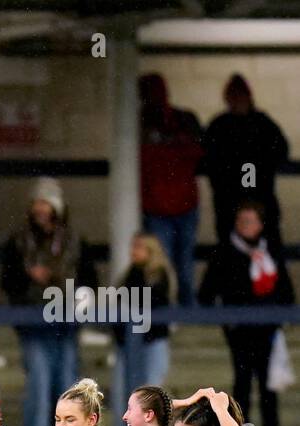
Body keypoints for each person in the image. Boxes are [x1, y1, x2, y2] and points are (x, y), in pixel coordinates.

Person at [198, 200, 293, 426]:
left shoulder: (270, 249)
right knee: (242, 384)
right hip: (239, 331)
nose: (246, 226)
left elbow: (285, 289)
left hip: (267, 329)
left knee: (268, 386)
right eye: (242, 221)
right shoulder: (224, 252)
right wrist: (227, 320)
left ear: (261, 225)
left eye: (251, 221)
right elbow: (206, 293)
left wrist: (279, 316)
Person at [1, 177, 82, 426]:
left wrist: (61, 283)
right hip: (34, 326)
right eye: (37, 202)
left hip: (66, 325)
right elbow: (8, 281)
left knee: (68, 392)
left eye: (46, 203)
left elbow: (87, 279)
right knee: (39, 391)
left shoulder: (72, 239)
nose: (41, 209)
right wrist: (29, 278)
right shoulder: (19, 240)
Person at [202, 73, 290, 247]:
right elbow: (207, 157)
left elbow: (281, 150)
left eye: (239, 95)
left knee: (268, 247)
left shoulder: (262, 123)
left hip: (260, 199)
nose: (236, 100)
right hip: (229, 202)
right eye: (232, 96)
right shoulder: (220, 125)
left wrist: (255, 164)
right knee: (230, 248)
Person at [139, 74, 203, 308]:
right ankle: (166, 310)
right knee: (161, 263)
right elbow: (142, 160)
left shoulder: (184, 119)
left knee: (184, 264)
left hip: (183, 205)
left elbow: (197, 155)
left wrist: (165, 148)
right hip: (157, 207)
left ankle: (187, 310)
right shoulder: (137, 123)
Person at [112, 234, 175, 404]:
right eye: (133, 247)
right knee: (122, 397)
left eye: (139, 247)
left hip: (152, 342)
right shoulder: (128, 275)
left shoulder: (160, 276)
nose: (133, 251)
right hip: (126, 343)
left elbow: (152, 302)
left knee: (149, 397)